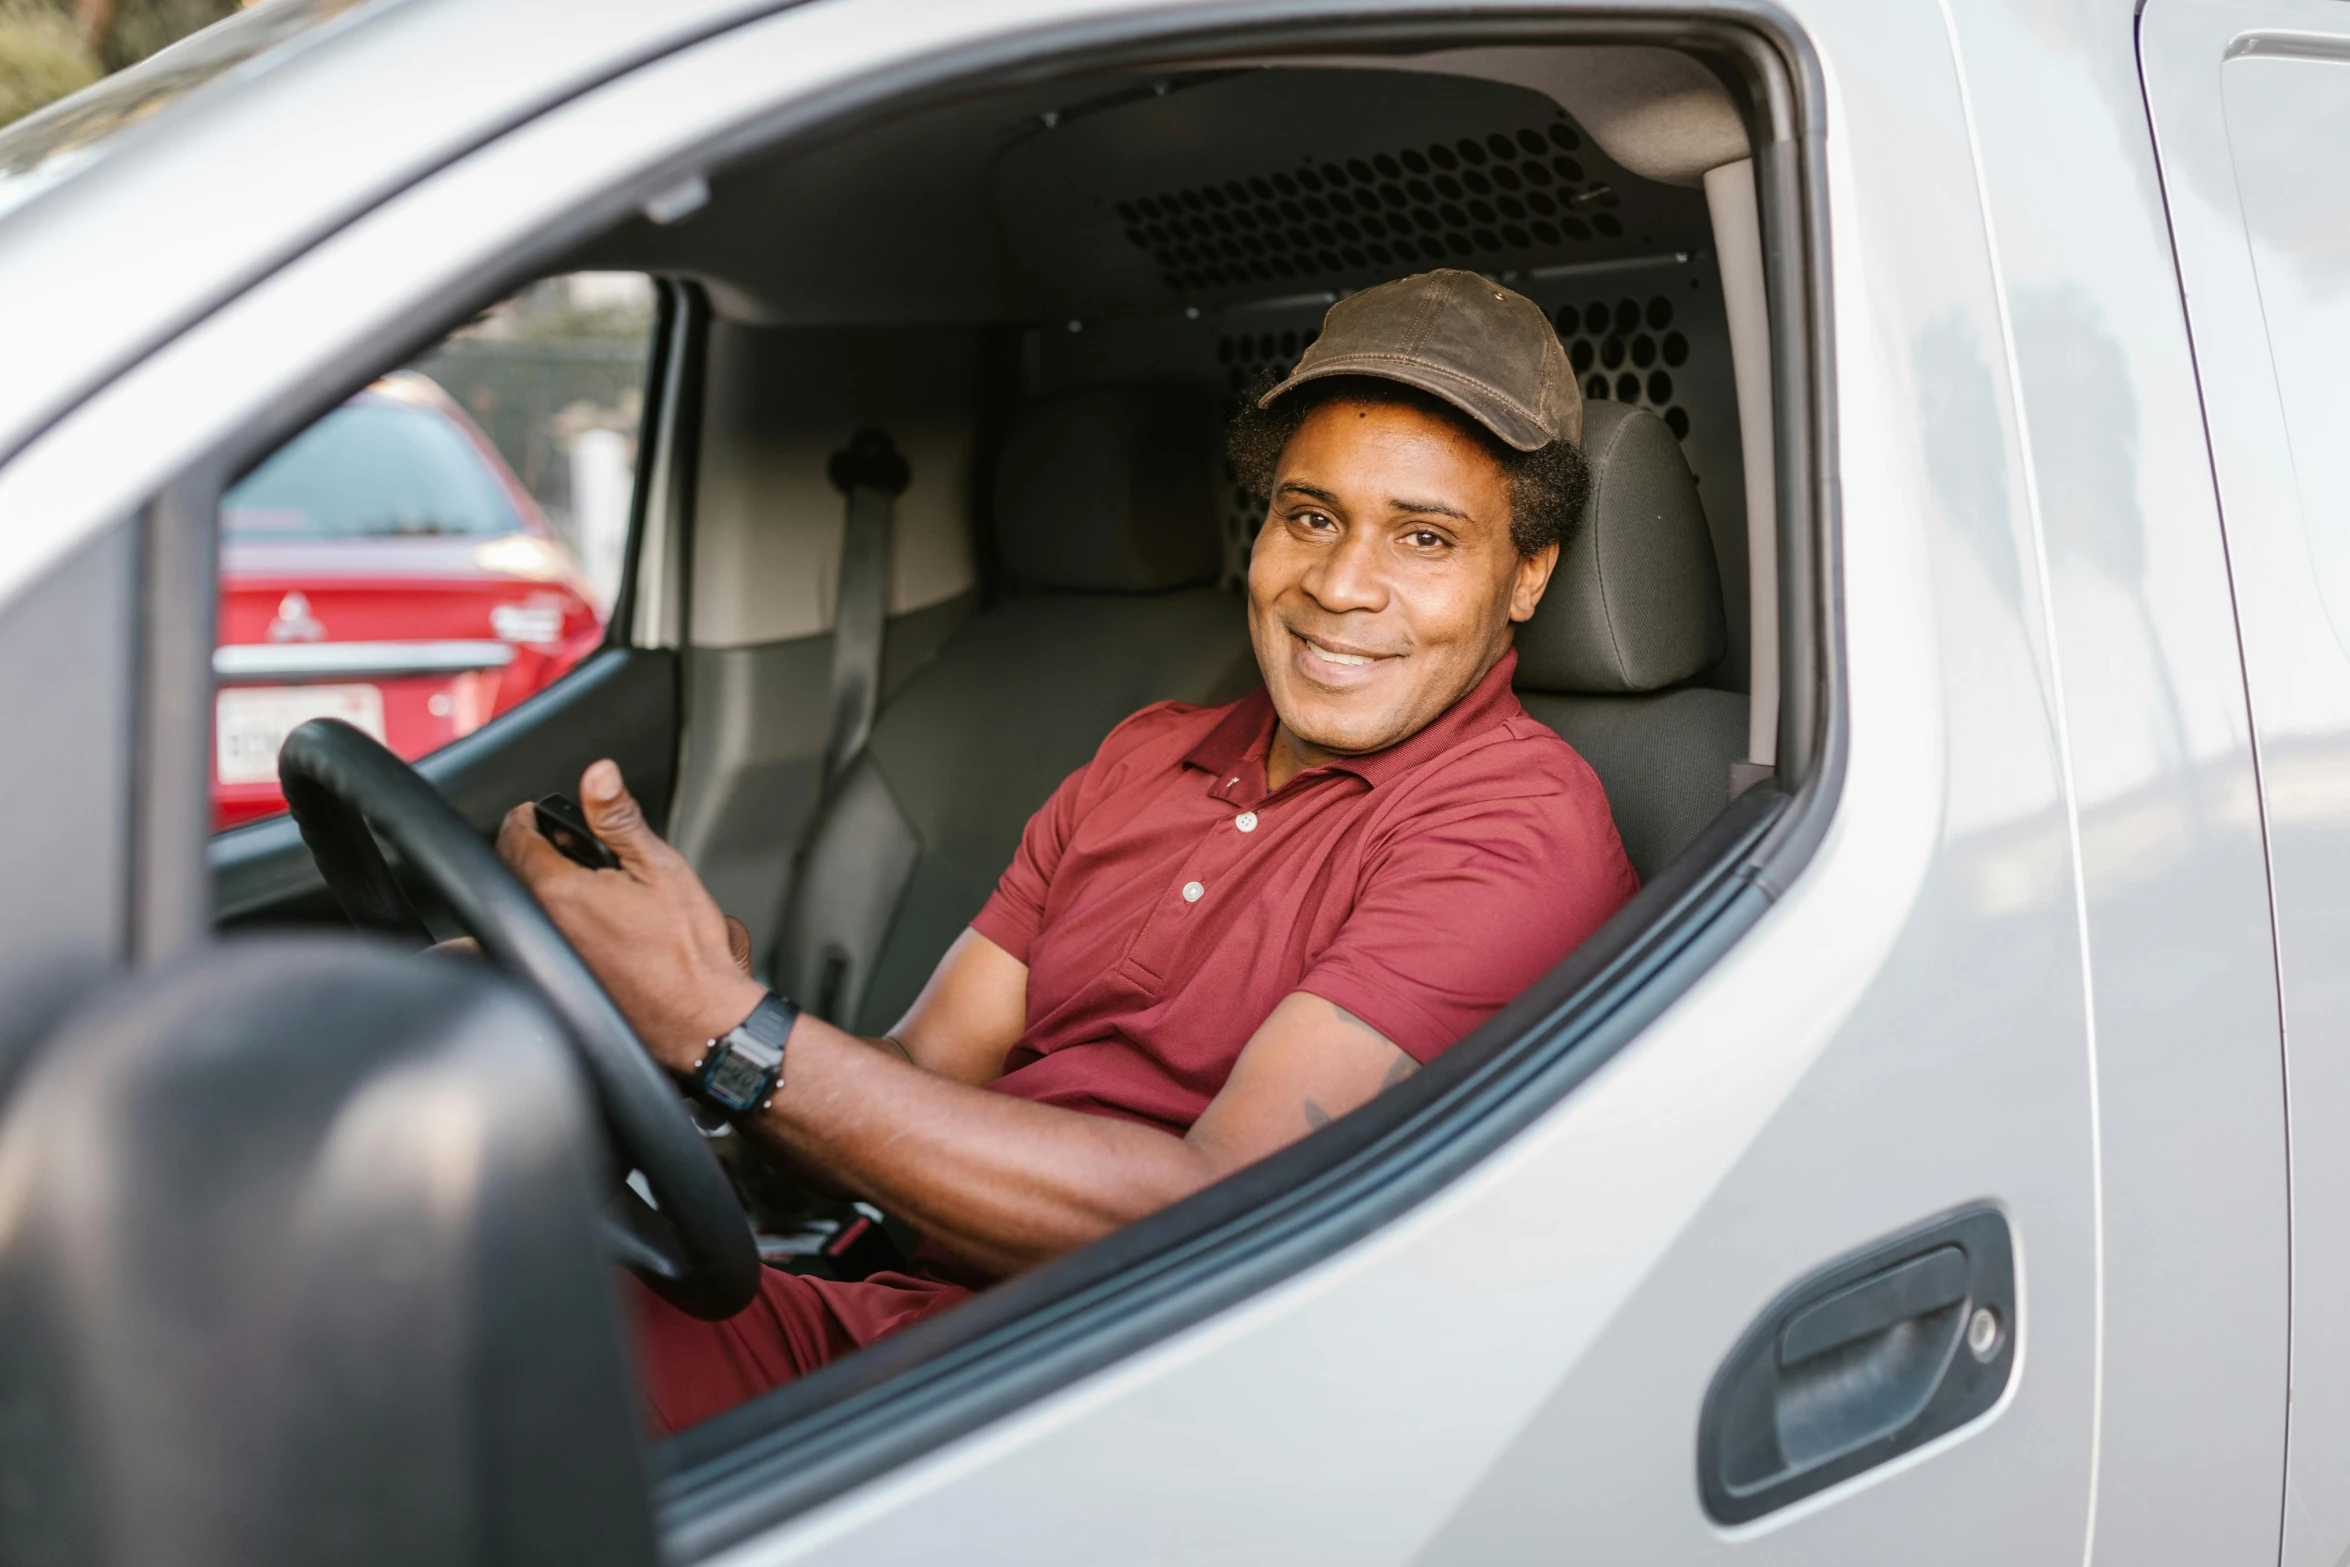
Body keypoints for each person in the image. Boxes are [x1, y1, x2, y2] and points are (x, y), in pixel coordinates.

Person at [499, 269, 1641, 1433]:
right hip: (914, 1316)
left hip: (1105, 1397)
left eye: (1424, 538)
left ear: (1528, 576)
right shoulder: (1147, 755)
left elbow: (1217, 1221)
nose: (1342, 585)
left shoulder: (1511, 826)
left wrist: (723, 1025)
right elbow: (921, 1073)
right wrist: (683, 1002)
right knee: (449, 1274)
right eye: (1311, 517)